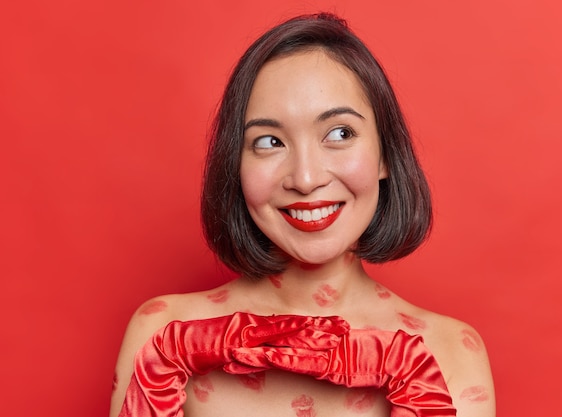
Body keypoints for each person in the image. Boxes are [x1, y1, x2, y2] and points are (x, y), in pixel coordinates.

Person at [110, 13, 495, 417]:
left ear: (385, 155)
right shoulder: (162, 335)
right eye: (269, 141)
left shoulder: (453, 352)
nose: (306, 179)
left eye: (339, 134)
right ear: (236, 168)